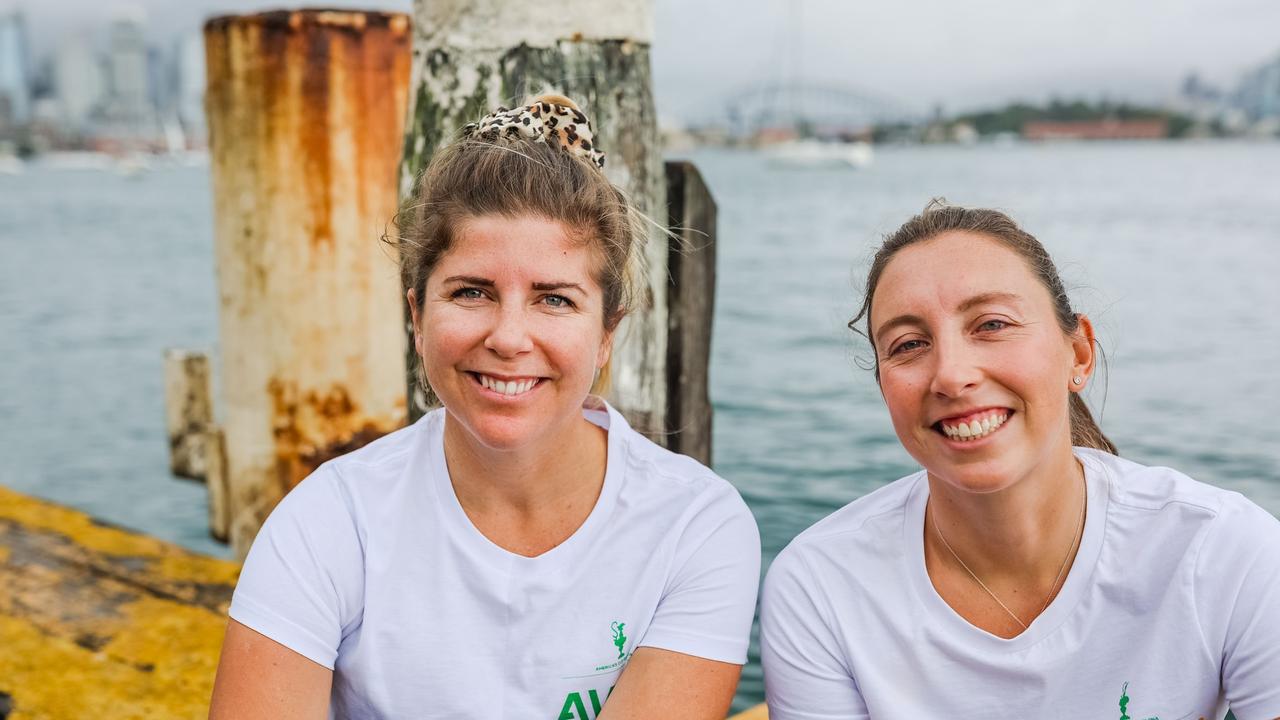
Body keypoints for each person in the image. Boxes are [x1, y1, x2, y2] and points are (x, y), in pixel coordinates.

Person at [210, 95, 760, 719]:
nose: (508, 337)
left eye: (554, 300)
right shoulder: (330, 521)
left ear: (608, 332)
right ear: (417, 315)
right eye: (471, 292)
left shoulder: (692, 525)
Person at [760, 202, 1280, 719]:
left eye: (991, 324)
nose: (951, 375)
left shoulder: (1222, 551)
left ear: (1078, 354)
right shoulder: (822, 586)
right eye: (909, 344)